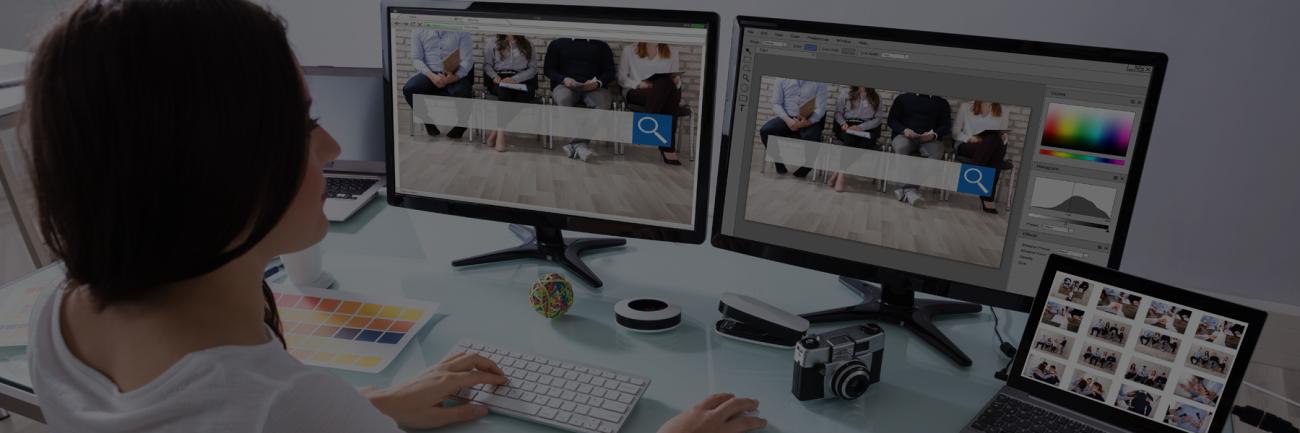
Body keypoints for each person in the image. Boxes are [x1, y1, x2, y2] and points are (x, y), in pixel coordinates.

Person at [21, 2, 768, 433]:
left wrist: (375, 405)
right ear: (212, 167)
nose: (335, 145)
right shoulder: (288, 408)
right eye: (299, 126)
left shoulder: (58, 312)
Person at [544, 37, 617, 162]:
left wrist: (597, 83)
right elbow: (549, 69)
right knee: (563, 98)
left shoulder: (602, 45)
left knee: (603, 103)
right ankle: (580, 146)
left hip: (594, 87)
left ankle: (576, 144)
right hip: (565, 85)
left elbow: (610, 72)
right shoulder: (557, 44)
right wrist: (564, 79)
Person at [619, 41, 685, 165]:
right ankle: (668, 148)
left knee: (666, 84)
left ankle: (648, 124)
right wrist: (639, 84)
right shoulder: (629, 50)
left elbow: (676, 81)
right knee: (667, 92)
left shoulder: (673, 51)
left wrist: (676, 80)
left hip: (663, 92)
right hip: (637, 91)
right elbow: (621, 78)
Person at [403, 26, 474, 139]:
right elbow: (416, 59)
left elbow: (468, 60)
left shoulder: (462, 31)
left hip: (453, 73)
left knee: (463, 91)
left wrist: (452, 78)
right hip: (430, 74)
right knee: (409, 89)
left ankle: (462, 124)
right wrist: (432, 76)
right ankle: (427, 121)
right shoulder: (418, 30)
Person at [886, 92, 951, 205]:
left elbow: (946, 126)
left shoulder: (942, 102)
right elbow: (891, 120)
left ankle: (906, 189)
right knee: (901, 147)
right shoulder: (903, 98)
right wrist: (904, 130)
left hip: (930, 139)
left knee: (937, 153)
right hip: (904, 136)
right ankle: (911, 191)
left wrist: (934, 135)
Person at [759, 78, 828, 177]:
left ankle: (807, 166)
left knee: (812, 137)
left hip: (809, 119)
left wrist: (807, 122)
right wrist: (788, 120)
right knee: (766, 130)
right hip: (787, 117)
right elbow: (776, 103)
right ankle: (778, 161)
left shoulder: (820, 82)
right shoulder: (781, 79)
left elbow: (821, 108)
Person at [952, 100, 1010, 213]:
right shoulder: (967, 106)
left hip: (991, 147)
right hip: (968, 145)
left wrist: (1004, 136)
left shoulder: (1003, 109)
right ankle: (987, 199)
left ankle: (974, 172)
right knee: (994, 148)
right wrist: (969, 138)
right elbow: (955, 132)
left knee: (994, 139)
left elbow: (1003, 134)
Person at [483, 34, 538, 152]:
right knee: (504, 91)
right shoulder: (492, 42)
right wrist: (495, 76)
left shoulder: (528, 44)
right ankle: (501, 136)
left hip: (520, 79)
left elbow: (533, 69)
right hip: (500, 79)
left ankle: (496, 130)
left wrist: (515, 80)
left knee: (528, 93)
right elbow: (487, 65)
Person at [828, 86, 885, 192]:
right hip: (847, 126)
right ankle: (841, 177)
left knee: (866, 143)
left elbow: (878, 119)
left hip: (867, 128)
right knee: (850, 139)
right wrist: (843, 123)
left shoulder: (877, 97)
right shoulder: (845, 93)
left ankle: (839, 171)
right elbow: (838, 113)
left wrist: (861, 128)